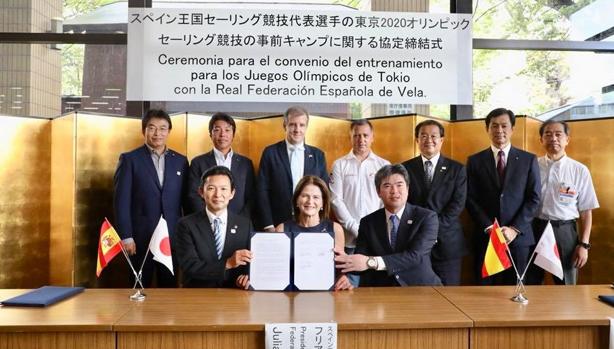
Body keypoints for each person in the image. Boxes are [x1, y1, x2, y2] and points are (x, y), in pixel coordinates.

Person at [113, 109, 189, 287]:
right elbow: (121, 201)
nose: (157, 133)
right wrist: (126, 236)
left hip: (171, 238)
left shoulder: (181, 161)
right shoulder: (130, 159)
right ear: (143, 130)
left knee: (169, 286)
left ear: (169, 131)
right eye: (152, 128)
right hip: (140, 238)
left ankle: (167, 316)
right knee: (139, 286)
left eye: (163, 129)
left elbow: (186, 201)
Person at [466, 108, 541, 285]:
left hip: (518, 238)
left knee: (515, 289)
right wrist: (489, 227)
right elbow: (469, 198)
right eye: (494, 126)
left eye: (504, 126)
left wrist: (514, 229)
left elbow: (534, 198)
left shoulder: (528, 159)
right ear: (487, 129)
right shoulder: (475, 160)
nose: (499, 130)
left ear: (512, 128)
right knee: (484, 290)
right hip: (486, 237)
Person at [334, 164, 442, 286]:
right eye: (387, 186)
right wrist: (347, 266)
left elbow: (415, 256)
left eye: (399, 185)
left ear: (407, 189)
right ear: (378, 192)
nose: (394, 191)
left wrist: (372, 262)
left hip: (420, 287)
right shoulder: (367, 222)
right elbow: (362, 259)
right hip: (382, 289)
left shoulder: (427, 217)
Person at [527, 120, 599, 285]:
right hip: (535, 228)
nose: (553, 138)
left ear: (567, 139)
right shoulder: (532, 166)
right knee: (531, 281)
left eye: (558, 134)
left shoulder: (579, 170)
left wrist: (584, 245)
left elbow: (586, 211)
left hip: (564, 231)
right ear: (541, 140)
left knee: (566, 283)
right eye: (548, 134)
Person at [402, 120, 467, 285]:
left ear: (442, 140)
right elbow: (404, 204)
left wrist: (432, 230)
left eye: (433, 136)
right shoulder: (404, 169)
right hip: (415, 243)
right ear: (417, 140)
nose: (428, 140)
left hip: (448, 243)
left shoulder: (457, 169)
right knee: (418, 295)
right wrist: (422, 232)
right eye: (423, 136)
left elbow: (457, 205)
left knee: (449, 294)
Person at [329, 119, 389, 287]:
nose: (361, 139)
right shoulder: (339, 165)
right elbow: (336, 200)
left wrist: (373, 230)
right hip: (349, 240)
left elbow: (387, 201)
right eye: (356, 135)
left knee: (376, 291)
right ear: (351, 137)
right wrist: (356, 228)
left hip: (377, 238)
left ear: (372, 138)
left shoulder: (384, 165)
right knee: (349, 286)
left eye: (365, 135)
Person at [175, 166, 252, 288]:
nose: (218, 194)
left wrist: (247, 278)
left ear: (232, 193)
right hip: (197, 294)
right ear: (201, 192)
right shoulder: (185, 225)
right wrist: (227, 263)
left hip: (234, 293)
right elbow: (190, 265)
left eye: (223, 189)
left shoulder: (245, 225)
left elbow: (250, 263)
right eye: (211, 188)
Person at [257, 106, 329, 231]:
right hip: (277, 224)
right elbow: (262, 191)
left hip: (311, 224)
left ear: (306, 127)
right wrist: (268, 225)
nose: (297, 129)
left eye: (301, 125)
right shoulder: (270, 153)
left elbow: (324, 192)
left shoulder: (318, 155)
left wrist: (320, 222)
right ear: (285, 125)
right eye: (292, 125)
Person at [276, 175, 352, 291]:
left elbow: (339, 269)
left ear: (323, 203)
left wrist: (343, 278)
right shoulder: (281, 229)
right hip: (289, 294)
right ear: (297, 200)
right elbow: (276, 269)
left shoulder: (335, 229)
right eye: (305, 196)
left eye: (316, 197)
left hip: (325, 294)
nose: (310, 201)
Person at [186, 112, 255, 218]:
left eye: (227, 130)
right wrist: (209, 218)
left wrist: (240, 220)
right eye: (217, 130)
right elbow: (193, 195)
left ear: (233, 134)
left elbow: (251, 197)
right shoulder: (198, 162)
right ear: (210, 134)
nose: (223, 134)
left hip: (239, 223)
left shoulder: (245, 164)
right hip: (205, 222)